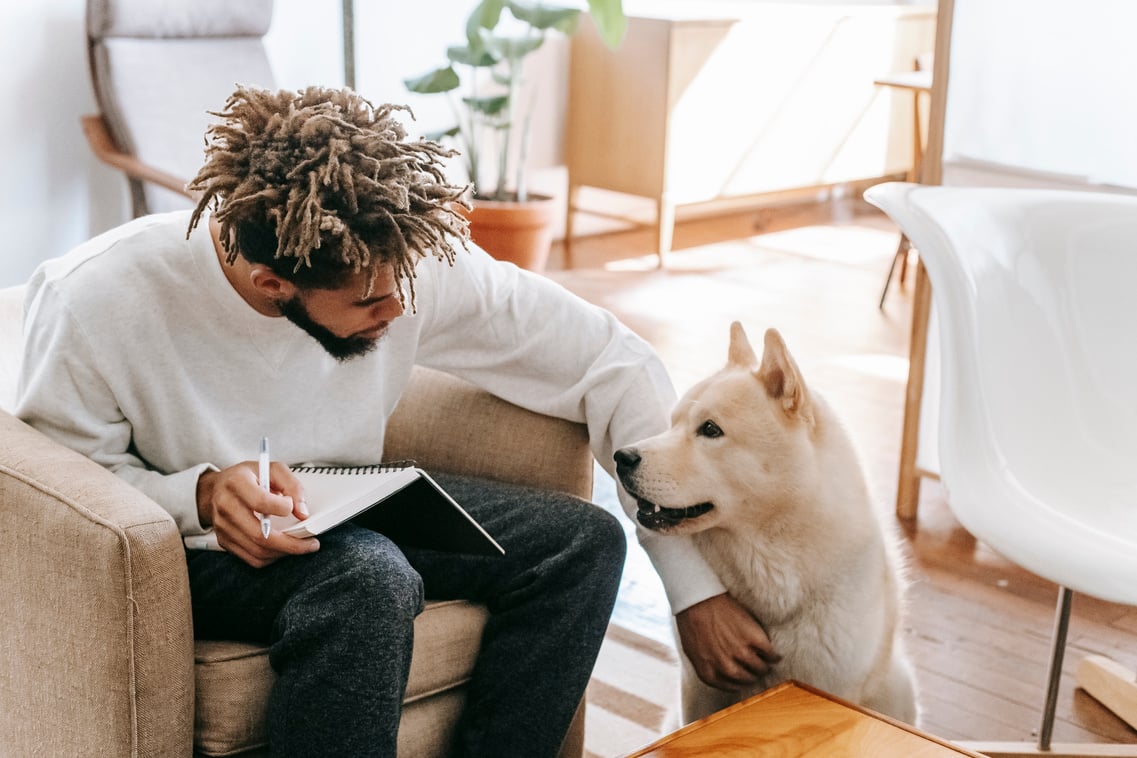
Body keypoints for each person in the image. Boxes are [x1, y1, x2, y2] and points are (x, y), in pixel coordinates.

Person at [16, 85, 776, 757]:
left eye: (400, 286)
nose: (398, 312)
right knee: (367, 576)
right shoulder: (99, 298)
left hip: (344, 499)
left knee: (580, 543)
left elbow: (611, 359)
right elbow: (58, 504)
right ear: (273, 284)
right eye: (368, 305)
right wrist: (205, 494)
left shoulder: (400, 261)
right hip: (179, 544)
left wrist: (695, 593)